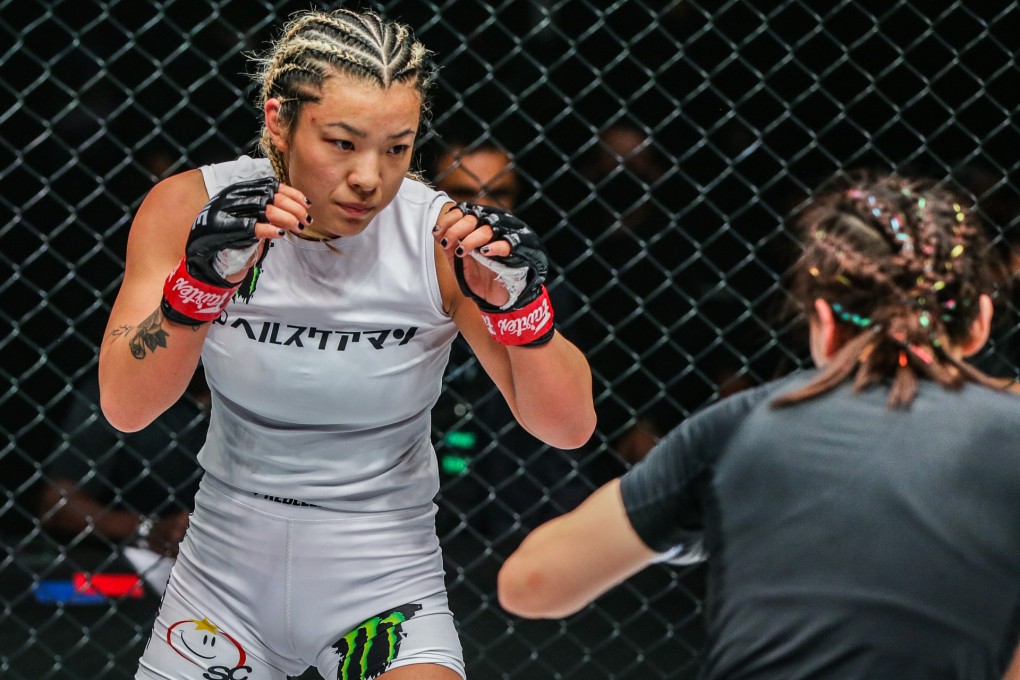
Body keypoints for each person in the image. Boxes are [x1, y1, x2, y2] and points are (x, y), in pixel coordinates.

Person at [97, 9, 594, 680]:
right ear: (279, 120)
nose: (370, 177)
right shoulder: (191, 207)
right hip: (223, 577)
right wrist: (198, 286)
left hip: (384, 584)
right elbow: (126, 406)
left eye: (397, 147)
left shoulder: (439, 239)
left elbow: (567, 428)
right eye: (342, 142)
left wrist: (526, 314)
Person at [498, 172, 1020, 679]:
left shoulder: (745, 424)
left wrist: (703, 523)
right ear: (979, 321)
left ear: (823, 322)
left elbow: (530, 583)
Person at [38, 367, 208, 593]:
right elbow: (56, 504)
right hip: (137, 562)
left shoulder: (258, 399)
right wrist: (149, 529)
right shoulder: (120, 390)